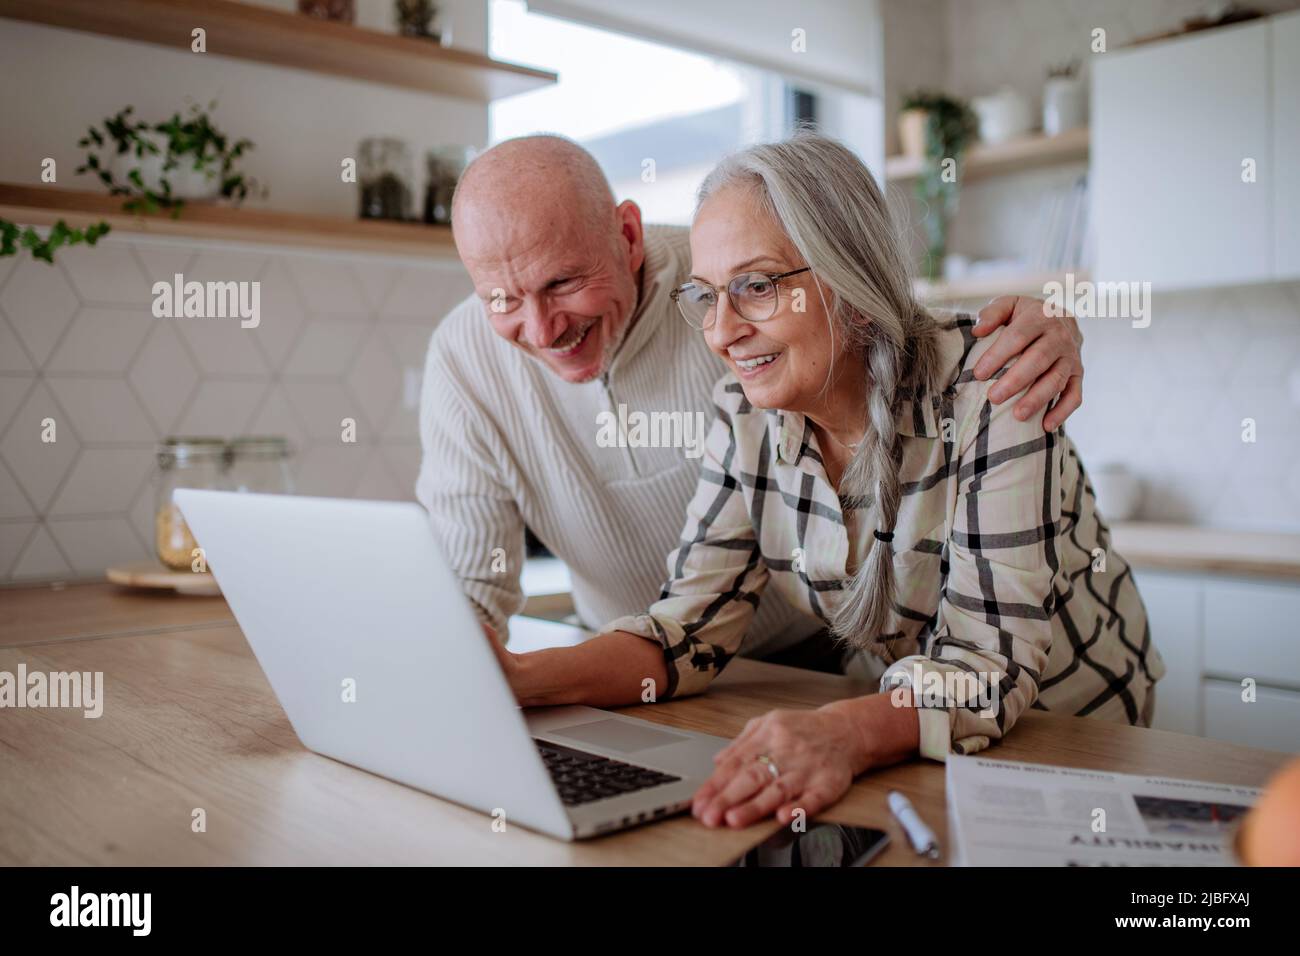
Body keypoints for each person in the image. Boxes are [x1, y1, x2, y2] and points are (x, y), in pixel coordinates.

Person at [484, 132, 1164, 829]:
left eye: (755, 286)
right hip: (927, 740)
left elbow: (986, 661)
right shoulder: (744, 414)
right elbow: (688, 631)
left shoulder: (990, 382)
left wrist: (843, 732)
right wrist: (518, 679)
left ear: (851, 282)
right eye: (707, 295)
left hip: (1074, 737)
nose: (721, 332)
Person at [419, 134, 1087, 672]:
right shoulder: (739, 403)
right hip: (668, 663)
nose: (540, 331)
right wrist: (497, 678)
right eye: (502, 300)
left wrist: (1046, 322)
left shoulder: (730, 263)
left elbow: (878, 319)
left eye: (563, 282)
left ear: (626, 236)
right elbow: (681, 623)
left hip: (843, 663)